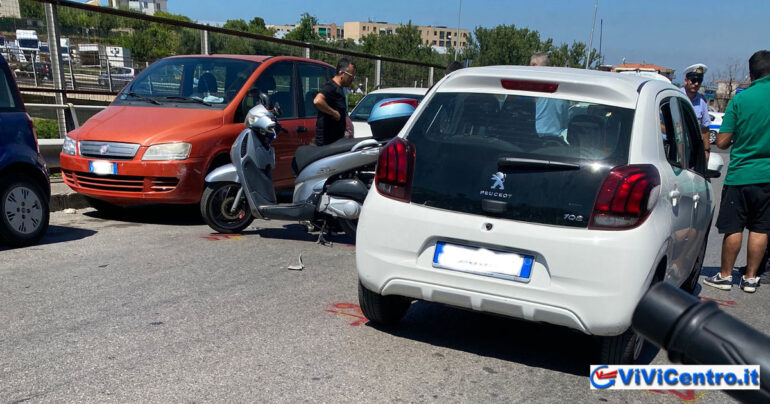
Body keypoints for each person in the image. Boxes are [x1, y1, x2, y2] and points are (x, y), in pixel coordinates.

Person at [704, 50, 770, 293]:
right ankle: (751, 278)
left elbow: (721, 142)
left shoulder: (741, 100)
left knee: (734, 227)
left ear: (751, 74)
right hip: (768, 177)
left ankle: (725, 276)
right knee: (760, 228)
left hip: (741, 174)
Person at [313, 58, 356, 146]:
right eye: (351, 76)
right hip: (326, 144)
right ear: (341, 73)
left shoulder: (339, 89)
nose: (352, 79)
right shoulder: (331, 87)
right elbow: (317, 101)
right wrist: (334, 113)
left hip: (335, 141)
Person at [530, 52, 569, 138]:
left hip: (528, 140)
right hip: (554, 142)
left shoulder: (522, 91)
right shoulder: (561, 93)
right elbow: (565, 122)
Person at [680, 64, 712, 158]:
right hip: (673, 147)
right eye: (693, 80)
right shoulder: (675, 95)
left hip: (692, 149)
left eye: (699, 81)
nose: (696, 84)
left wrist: (706, 150)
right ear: (686, 81)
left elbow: (705, 128)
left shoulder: (702, 101)